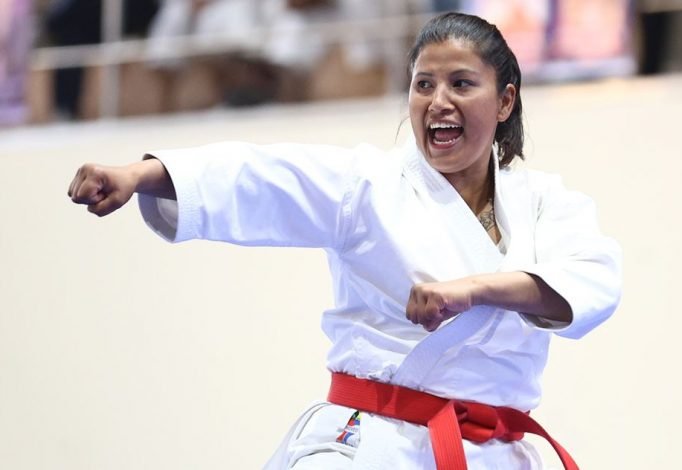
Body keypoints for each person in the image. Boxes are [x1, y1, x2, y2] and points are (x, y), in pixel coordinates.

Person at [68, 12, 621, 469]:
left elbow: (592, 283)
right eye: (423, 84)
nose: (438, 101)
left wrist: (473, 290)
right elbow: (261, 177)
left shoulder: (545, 203)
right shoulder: (368, 185)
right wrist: (141, 175)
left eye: (461, 83)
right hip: (373, 443)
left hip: (497, 454)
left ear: (504, 101)